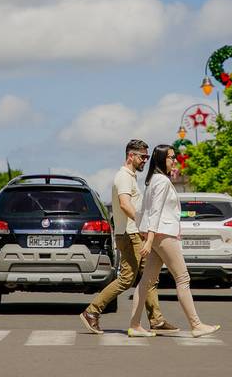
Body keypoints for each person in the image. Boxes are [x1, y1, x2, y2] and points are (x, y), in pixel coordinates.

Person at [80, 139, 179, 335]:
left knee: (149, 277)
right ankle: (91, 312)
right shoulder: (123, 177)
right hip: (130, 234)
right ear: (130, 156)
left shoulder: (131, 177)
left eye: (147, 157)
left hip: (133, 233)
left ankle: (156, 320)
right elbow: (125, 204)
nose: (145, 160)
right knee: (127, 279)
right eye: (142, 156)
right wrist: (143, 225)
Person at [127, 144, 221, 338]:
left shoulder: (153, 180)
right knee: (183, 278)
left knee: (146, 281)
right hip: (163, 235)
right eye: (171, 157)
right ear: (162, 159)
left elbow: (144, 211)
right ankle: (196, 325)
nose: (175, 160)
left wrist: (147, 237)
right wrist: (149, 238)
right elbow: (155, 211)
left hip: (156, 235)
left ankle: (135, 325)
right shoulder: (161, 181)